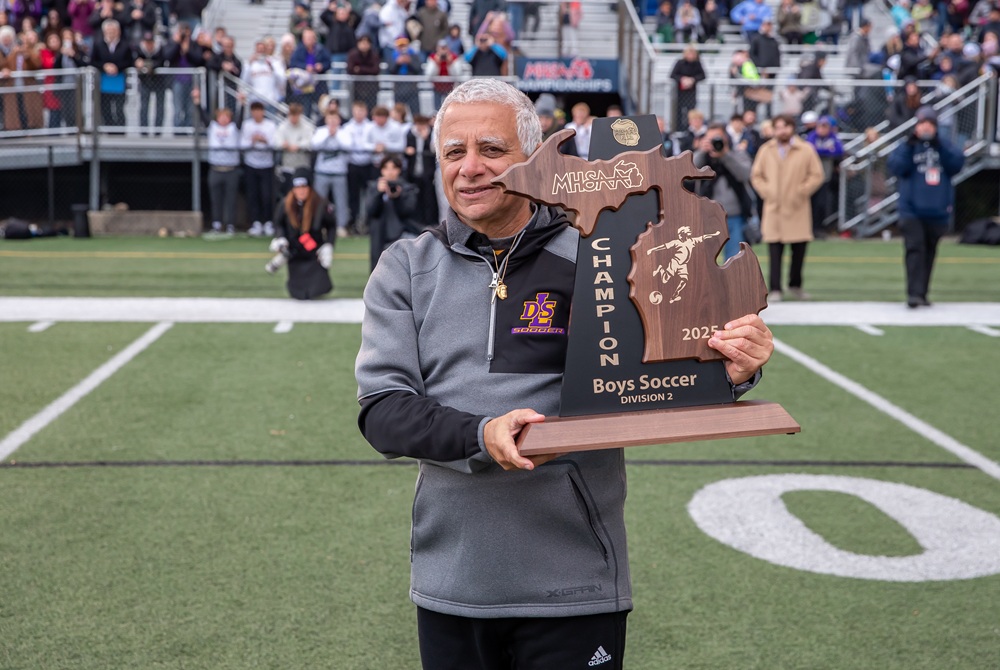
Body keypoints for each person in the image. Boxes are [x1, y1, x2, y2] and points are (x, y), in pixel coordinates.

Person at [355, 78, 773, 670]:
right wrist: (483, 434)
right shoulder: (406, 266)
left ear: (532, 159)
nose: (470, 168)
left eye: (492, 150)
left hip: (575, 583)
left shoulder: (601, 254)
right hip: (453, 581)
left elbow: (670, 371)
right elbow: (383, 410)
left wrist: (731, 367)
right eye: (454, 152)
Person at [888, 105, 964, 308]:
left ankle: (923, 293)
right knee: (914, 250)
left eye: (929, 123)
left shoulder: (945, 145)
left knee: (930, 252)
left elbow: (956, 165)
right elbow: (897, 167)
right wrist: (909, 144)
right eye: (922, 124)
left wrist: (939, 145)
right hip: (911, 210)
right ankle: (913, 293)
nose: (926, 128)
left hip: (937, 210)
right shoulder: (907, 146)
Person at [750, 113, 824, 302]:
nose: (782, 131)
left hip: (797, 206)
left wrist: (801, 191)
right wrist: (767, 191)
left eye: (785, 127)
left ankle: (795, 285)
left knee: (799, 249)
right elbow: (756, 176)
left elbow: (817, 175)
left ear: (792, 128)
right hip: (774, 207)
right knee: (774, 250)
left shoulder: (806, 149)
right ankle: (775, 288)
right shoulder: (766, 150)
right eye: (778, 127)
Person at [269, 166, 336, 300]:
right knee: (297, 292)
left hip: (313, 251)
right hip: (294, 251)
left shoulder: (320, 204)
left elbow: (331, 225)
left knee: (317, 288)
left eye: (304, 187)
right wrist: (281, 238)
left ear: (310, 187)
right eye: (297, 187)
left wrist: (328, 245)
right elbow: (278, 223)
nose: (301, 191)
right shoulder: (285, 204)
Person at [692, 123, 754, 260]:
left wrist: (725, 155)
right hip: (707, 215)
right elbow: (689, 171)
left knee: (734, 260)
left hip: (734, 214)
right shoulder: (703, 157)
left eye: (717, 138)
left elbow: (745, 174)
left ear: (725, 137)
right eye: (710, 138)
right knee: (703, 260)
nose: (715, 142)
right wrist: (702, 151)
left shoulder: (737, 153)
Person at [193, 87, 241, 234]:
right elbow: (203, 117)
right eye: (221, 116)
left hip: (231, 169)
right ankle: (217, 223)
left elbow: (241, 119)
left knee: (231, 199)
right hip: (216, 168)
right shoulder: (212, 127)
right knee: (216, 199)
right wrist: (197, 102)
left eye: (226, 116)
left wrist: (241, 103)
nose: (224, 119)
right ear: (217, 117)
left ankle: (230, 224)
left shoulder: (234, 128)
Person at [366, 153, 421, 271]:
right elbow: (371, 210)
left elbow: (407, 211)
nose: (390, 172)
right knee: (379, 270)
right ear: (381, 170)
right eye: (386, 168)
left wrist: (397, 197)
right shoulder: (373, 187)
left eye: (394, 168)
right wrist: (378, 193)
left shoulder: (407, 188)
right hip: (379, 235)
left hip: (402, 233)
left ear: (399, 170)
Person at [311, 106, 352, 238]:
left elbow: (348, 145)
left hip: (339, 173)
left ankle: (341, 226)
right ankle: (319, 225)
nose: (333, 121)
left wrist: (336, 134)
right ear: (326, 119)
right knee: (319, 201)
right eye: (330, 118)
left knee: (341, 201)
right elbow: (314, 145)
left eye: (335, 119)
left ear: (339, 120)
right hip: (322, 172)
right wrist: (328, 134)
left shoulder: (344, 132)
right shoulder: (321, 131)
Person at [240, 99, 278, 238]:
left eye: (259, 110)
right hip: (251, 164)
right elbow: (242, 145)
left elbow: (275, 144)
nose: (257, 113)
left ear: (263, 112)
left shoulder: (270, 125)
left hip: (267, 165)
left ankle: (268, 222)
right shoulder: (247, 125)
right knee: (252, 194)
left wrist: (264, 140)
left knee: (267, 195)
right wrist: (252, 140)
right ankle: (256, 222)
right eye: (254, 111)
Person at [91, 18, 131, 128]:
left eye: (113, 31)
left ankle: (120, 130)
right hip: (104, 81)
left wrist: (117, 67)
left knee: (119, 108)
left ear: (118, 31)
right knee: (105, 108)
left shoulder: (125, 45)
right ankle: (109, 128)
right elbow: (93, 61)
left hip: (119, 81)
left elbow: (129, 61)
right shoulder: (98, 44)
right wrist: (104, 66)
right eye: (108, 31)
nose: (111, 33)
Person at [404, 113, 438, 228]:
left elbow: (434, 151)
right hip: (414, 171)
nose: (420, 127)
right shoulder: (410, 133)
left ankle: (429, 221)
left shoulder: (432, 133)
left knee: (428, 197)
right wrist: (407, 151)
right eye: (418, 124)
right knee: (415, 197)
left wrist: (426, 138)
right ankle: (416, 222)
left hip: (428, 172)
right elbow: (406, 152)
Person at [274, 101, 315, 196]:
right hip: (288, 167)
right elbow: (277, 142)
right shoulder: (283, 126)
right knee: (288, 195)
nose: (293, 118)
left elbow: (311, 142)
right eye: (292, 115)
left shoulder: (307, 126)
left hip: (302, 167)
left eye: (296, 115)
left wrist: (298, 146)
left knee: (303, 195)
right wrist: (284, 145)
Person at [133, 30, 166, 135]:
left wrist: (148, 65)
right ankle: (143, 130)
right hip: (144, 81)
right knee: (144, 106)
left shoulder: (160, 49)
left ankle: (158, 130)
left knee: (160, 106)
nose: (149, 44)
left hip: (159, 81)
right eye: (147, 42)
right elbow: (134, 61)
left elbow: (162, 62)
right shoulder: (139, 49)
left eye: (150, 42)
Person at [670, 45, 705, 133]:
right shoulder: (680, 63)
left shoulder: (697, 64)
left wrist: (693, 80)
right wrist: (682, 79)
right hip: (680, 92)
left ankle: (690, 128)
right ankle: (678, 129)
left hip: (691, 92)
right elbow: (673, 75)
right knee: (679, 111)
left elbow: (703, 75)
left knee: (691, 110)